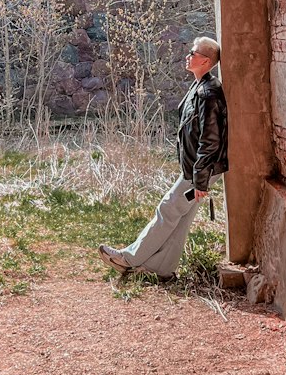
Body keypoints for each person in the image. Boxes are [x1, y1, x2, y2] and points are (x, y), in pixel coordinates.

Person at [98, 36, 228, 280]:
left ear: (206, 60)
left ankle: (128, 258)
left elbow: (211, 140)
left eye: (193, 52)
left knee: (168, 209)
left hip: (201, 169)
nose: (188, 55)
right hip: (196, 167)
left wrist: (200, 179)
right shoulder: (199, 86)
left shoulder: (209, 92)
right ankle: (162, 270)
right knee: (180, 218)